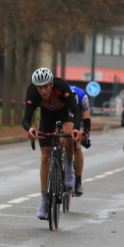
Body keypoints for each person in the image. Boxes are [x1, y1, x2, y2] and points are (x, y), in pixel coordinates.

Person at [22, 68, 82, 221]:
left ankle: (69, 166)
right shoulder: (32, 93)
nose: (43, 91)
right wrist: (30, 129)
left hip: (65, 113)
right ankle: (44, 200)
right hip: (46, 117)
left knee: (68, 133)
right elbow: (26, 119)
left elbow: (76, 108)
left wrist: (76, 129)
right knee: (44, 158)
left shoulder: (61, 86)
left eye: (45, 87)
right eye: (39, 87)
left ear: (51, 84)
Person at [69, 85, 91, 197]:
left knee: (77, 146)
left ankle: (78, 180)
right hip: (62, 114)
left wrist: (86, 135)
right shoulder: (57, 95)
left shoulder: (82, 96)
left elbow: (86, 119)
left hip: (78, 117)